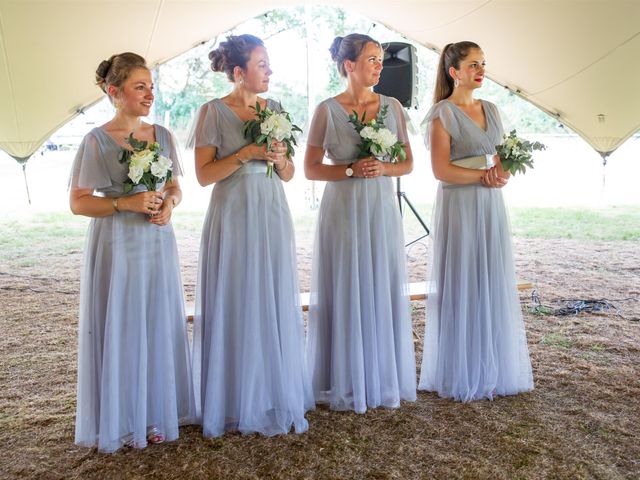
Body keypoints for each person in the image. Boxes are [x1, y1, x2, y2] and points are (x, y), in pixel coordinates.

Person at [69, 52, 195, 452]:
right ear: (115, 92)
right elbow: (79, 202)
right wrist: (125, 204)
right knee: (123, 324)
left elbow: (175, 187)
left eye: (151, 86)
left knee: (156, 321)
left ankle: (156, 412)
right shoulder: (96, 141)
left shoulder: (163, 136)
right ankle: (123, 417)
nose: (149, 94)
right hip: (118, 244)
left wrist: (170, 205)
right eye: (140, 87)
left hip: (158, 242)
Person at [189, 34, 314, 437]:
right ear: (238, 72)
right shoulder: (212, 112)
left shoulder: (274, 109)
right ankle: (233, 397)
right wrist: (244, 154)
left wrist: (279, 159)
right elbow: (204, 176)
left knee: (271, 293)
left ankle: (272, 389)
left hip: (271, 210)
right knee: (237, 295)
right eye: (263, 64)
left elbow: (291, 172)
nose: (270, 71)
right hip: (233, 214)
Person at [304, 34, 417, 413]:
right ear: (348, 65)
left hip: (380, 208)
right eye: (371, 59)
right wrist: (351, 168)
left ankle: (380, 375)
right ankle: (343, 377)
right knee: (346, 283)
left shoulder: (393, 107)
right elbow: (310, 169)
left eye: (381, 59)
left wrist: (384, 167)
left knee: (379, 283)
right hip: (343, 208)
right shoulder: (326, 110)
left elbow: (408, 163)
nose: (379, 66)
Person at [419, 41, 534, 401]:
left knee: (491, 278)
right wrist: (482, 179)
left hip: (490, 205)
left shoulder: (493, 109)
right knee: (464, 279)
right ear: (454, 73)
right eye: (472, 65)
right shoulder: (443, 113)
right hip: (460, 205)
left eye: (483, 63)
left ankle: (494, 366)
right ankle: (462, 368)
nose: (480, 70)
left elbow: (500, 160)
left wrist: (502, 175)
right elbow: (441, 170)